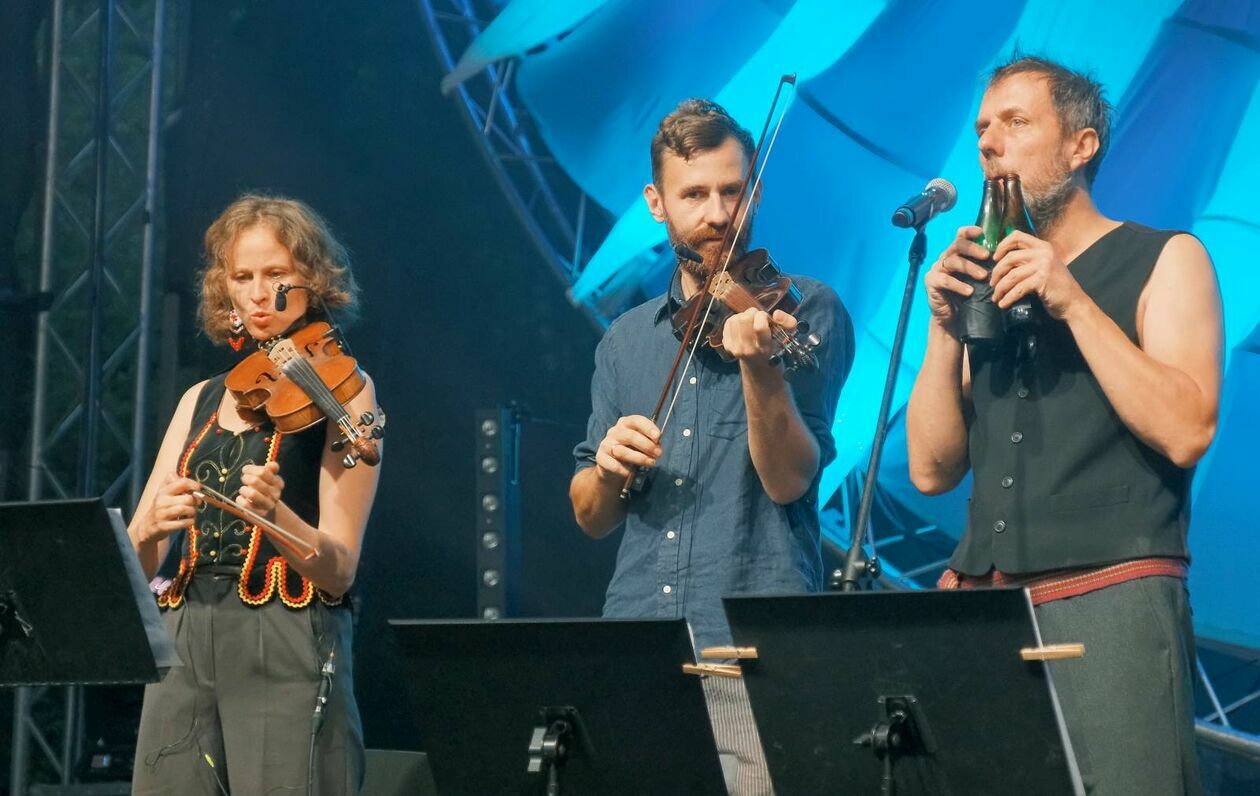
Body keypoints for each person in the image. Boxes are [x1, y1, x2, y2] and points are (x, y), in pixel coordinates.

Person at [906, 55, 1221, 794]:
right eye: (983, 127)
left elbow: (1187, 429)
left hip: (1110, 603)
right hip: (983, 611)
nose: (990, 142)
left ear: (1082, 146)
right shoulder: (980, 278)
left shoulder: (1167, 257)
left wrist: (1073, 300)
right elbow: (931, 469)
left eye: (1016, 122)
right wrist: (943, 328)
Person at [569, 99, 854, 796]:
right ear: (657, 203)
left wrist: (760, 365)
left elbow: (790, 482)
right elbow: (589, 515)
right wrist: (606, 469)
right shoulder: (625, 341)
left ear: (754, 191)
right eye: (694, 194)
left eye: (733, 190)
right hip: (638, 644)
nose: (718, 213)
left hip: (751, 648)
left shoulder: (804, 311)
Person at [129, 194, 381, 795]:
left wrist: (276, 515)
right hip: (184, 636)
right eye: (243, 277)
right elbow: (137, 565)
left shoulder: (345, 390)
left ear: (312, 281)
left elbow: (340, 571)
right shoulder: (201, 398)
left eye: (277, 275)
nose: (260, 293)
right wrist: (147, 530)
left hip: (284, 636)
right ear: (227, 293)